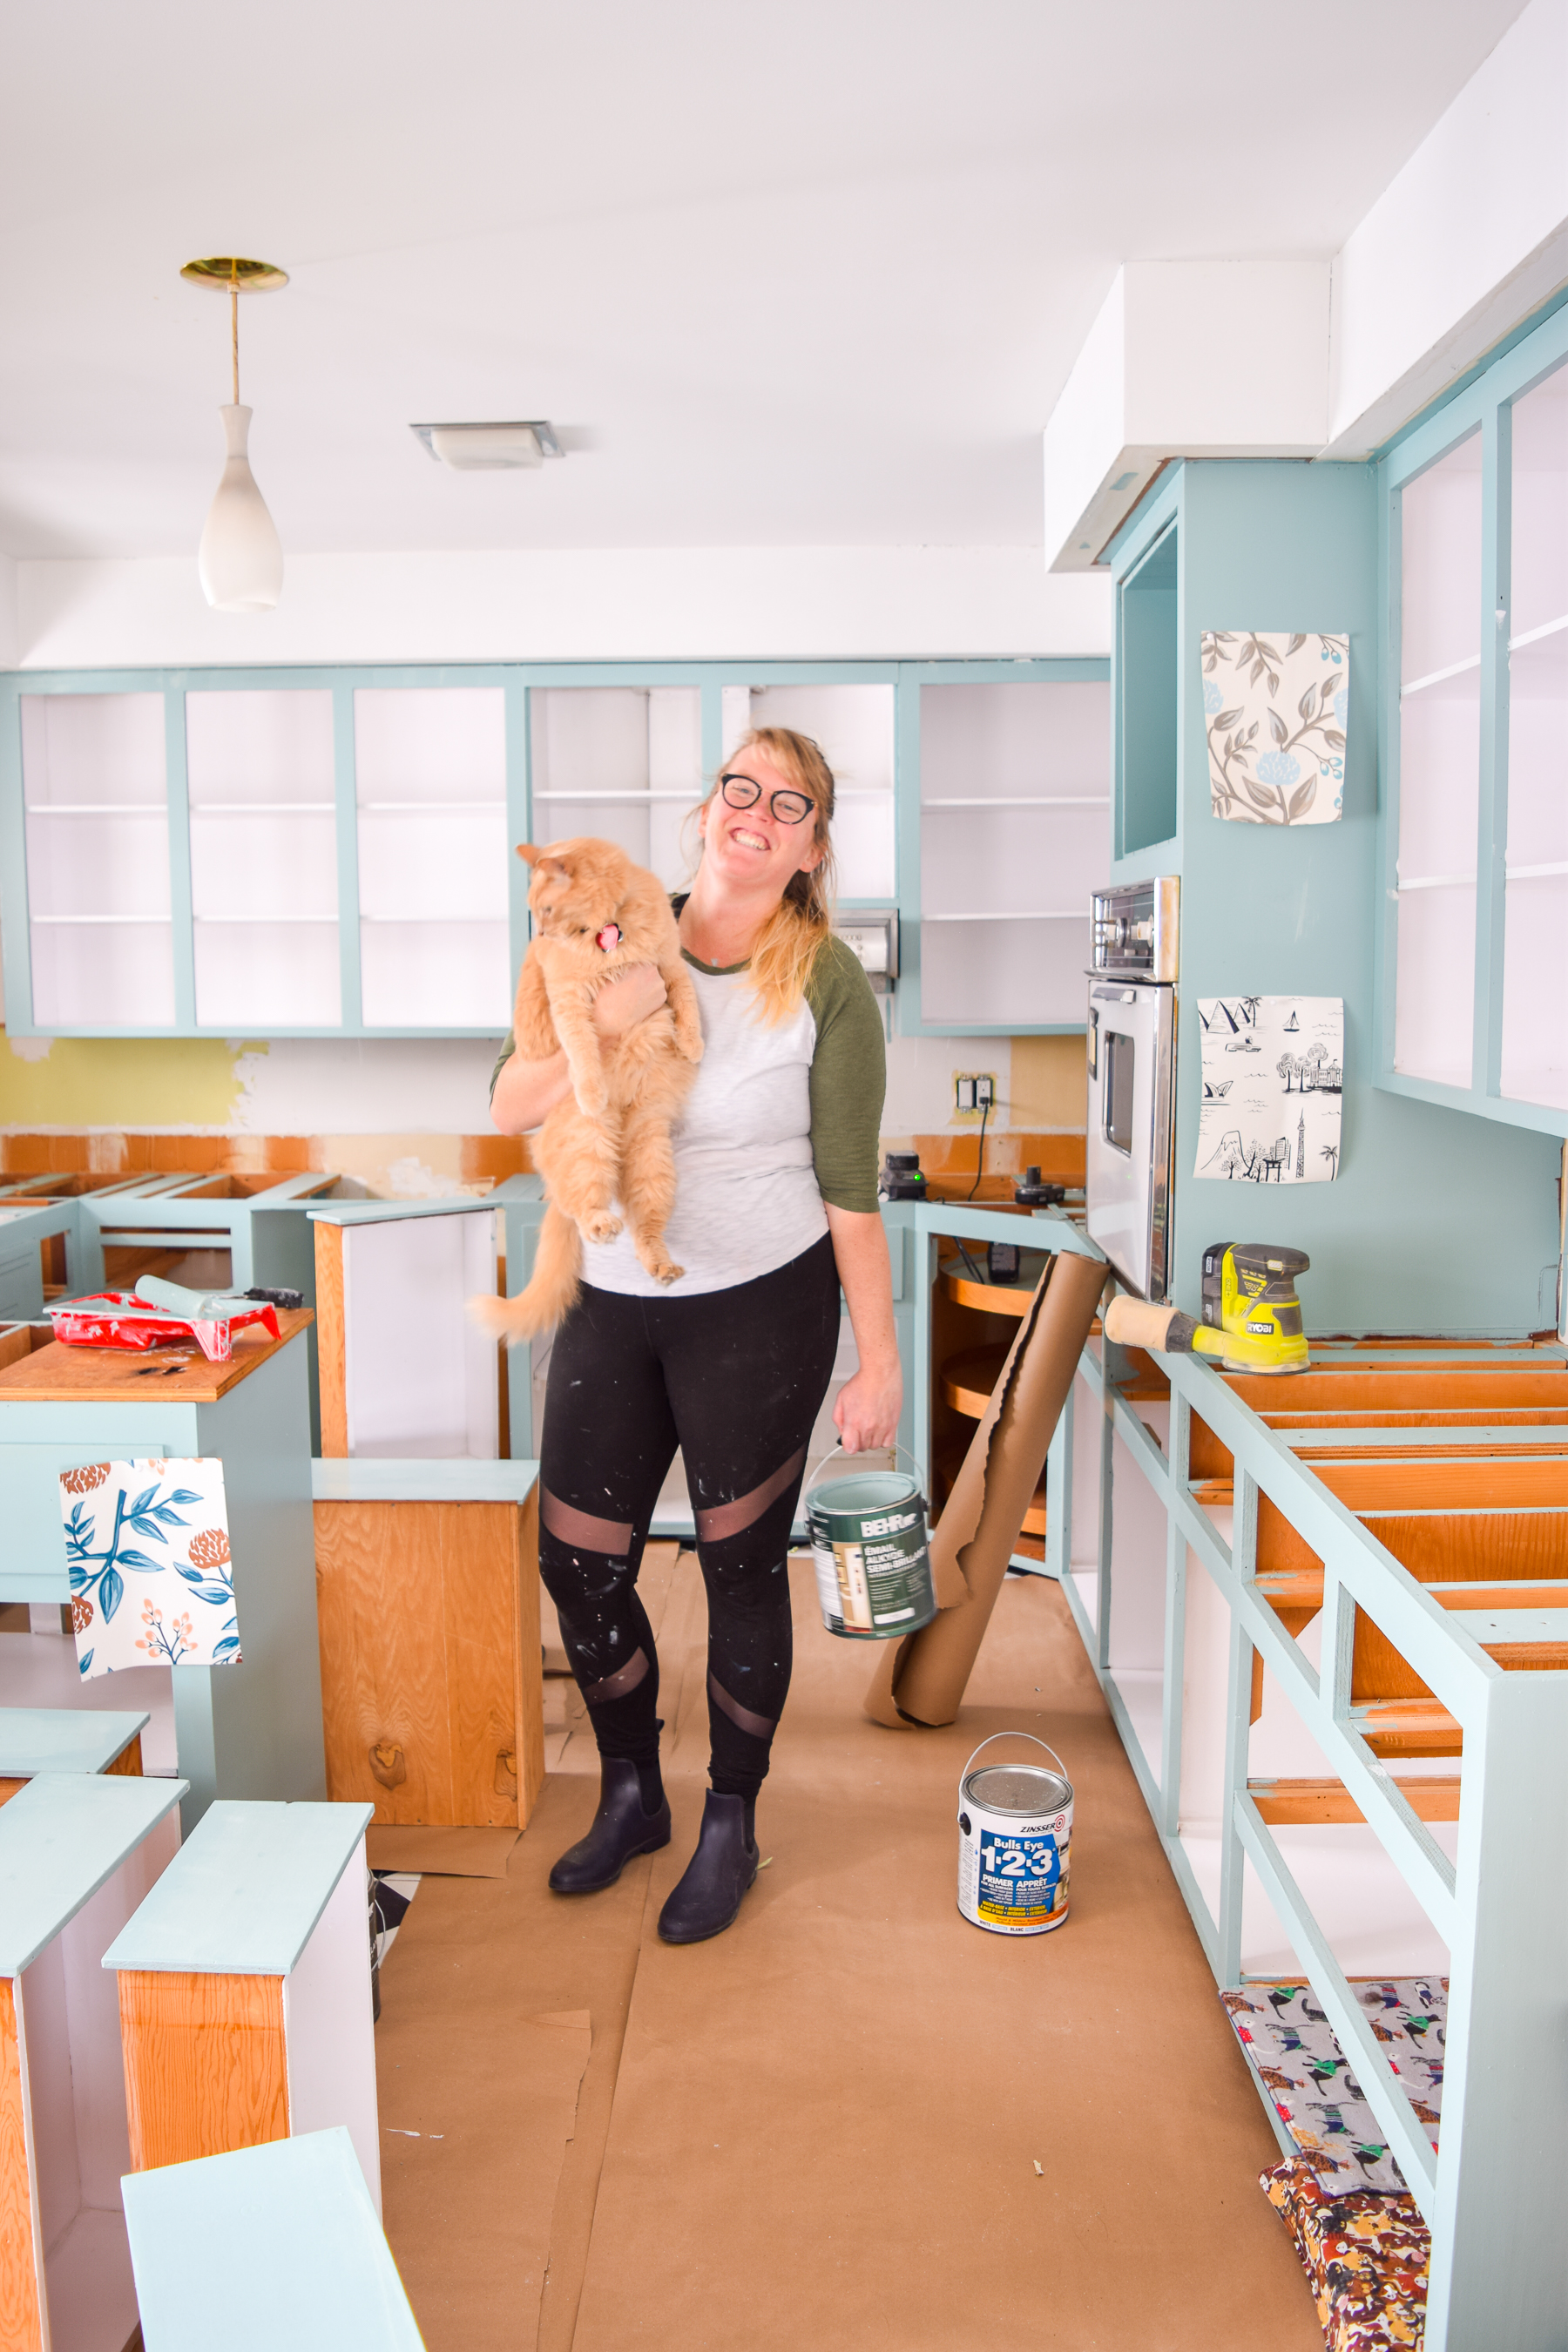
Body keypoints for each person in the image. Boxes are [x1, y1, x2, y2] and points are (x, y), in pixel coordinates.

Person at [490, 727, 899, 1943]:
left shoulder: (824, 983)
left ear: (812, 846)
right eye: (742, 787)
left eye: (790, 803)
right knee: (578, 1557)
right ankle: (631, 1793)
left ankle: (730, 1816)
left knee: (737, 1569)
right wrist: (601, 1022)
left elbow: (850, 1191)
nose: (756, 812)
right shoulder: (613, 924)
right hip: (615, 1293)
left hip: (760, 1303)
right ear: (707, 807)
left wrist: (878, 1360)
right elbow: (508, 1099)